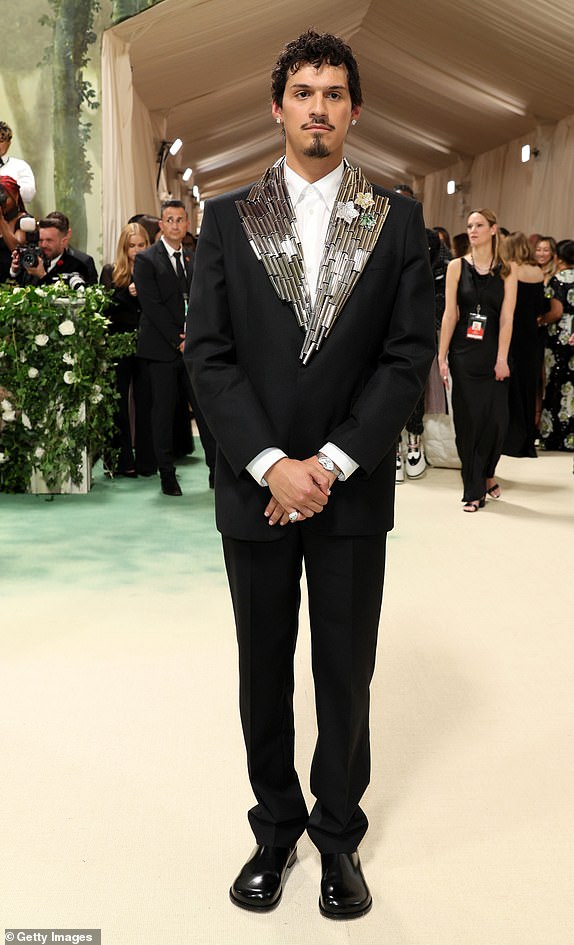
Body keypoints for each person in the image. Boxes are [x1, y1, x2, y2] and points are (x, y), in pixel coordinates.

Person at [185, 30, 435, 919]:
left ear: (355, 110)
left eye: (334, 93)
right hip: (254, 485)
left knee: (345, 671)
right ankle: (274, 827)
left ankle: (337, 836)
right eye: (303, 92)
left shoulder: (398, 220)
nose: (318, 108)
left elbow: (405, 361)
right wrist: (268, 462)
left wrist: (326, 462)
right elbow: (208, 357)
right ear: (278, 106)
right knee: (264, 665)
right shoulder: (224, 218)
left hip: (350, 485)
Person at [134, 199, 215, 495]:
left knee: (206, 411)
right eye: (170, 220)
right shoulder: (145, 260)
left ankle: (216, 470)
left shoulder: (196, 258)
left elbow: (204, 300)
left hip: (194, 347)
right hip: (160, 349)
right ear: (161, 224)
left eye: (181, 220)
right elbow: (151, 306)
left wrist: (192, 336)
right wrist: (177, 338)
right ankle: (167, 474)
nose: (176, 225)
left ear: (187, 224)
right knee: (164, 412)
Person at [438, 208, 517, 511]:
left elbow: (507, 319)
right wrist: (442, 356)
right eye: (469, 225)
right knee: (469, 422)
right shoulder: (456, 266)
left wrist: (502, 358)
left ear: (493, 229)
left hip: (494, 354)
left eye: (479, 225)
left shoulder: (508, 270)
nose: (472, 230)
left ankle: (487, 473)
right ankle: (473, 488)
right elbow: (450, 314)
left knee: (497, 421)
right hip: (463, 354)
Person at [100, 222, 156, 477]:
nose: (135, 250)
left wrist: (143, 291)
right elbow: (104, 309)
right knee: (119, 404)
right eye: (131, 245)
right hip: (118, 344)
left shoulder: (155, 269)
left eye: (140, 245)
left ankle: (147, 461)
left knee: (146, 404)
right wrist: (127, 292)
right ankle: (122, 460)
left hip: (146, 345)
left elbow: (159, 307)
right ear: (124, 247)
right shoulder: (111, 271)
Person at [501, 232, 549, 458]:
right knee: (529, 389)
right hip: (532, 336)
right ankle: (528, 441)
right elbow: (541, 307)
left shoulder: (511, 269)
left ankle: (513, 441)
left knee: (513, 389)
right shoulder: (538, 271)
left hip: (512, 335)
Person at [538, 240, 574, 451]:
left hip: (560, 338)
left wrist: (541, 320)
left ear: (558, 258)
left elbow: (556, 312)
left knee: (555, 384)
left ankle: (553, 435)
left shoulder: (558, 280)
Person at [9, 215, 91, 286]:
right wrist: (14, 271)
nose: (44, 245)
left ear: (63, 241)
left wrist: (42, 275)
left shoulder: (77, 266)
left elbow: (68, 297)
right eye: (41, 240)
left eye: (49, 240)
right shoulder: (32, 260)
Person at [44, 210, 99, 284]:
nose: (44, 244)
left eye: (50, 239)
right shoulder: (35, 261)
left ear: (68, 234)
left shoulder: (83, 262)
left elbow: (92, 292)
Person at [0, 122, 35, 204]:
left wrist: (7, 186)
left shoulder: (20, 166)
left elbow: (28, 195)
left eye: (1, 141)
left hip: (12, 215)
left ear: (8, 143)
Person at [0, 176, 27, 282]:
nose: (2, 204)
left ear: (15, 196)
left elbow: (17, 249)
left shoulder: (25, 221)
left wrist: (1, 220)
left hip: (13, 283)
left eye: (4, 199)